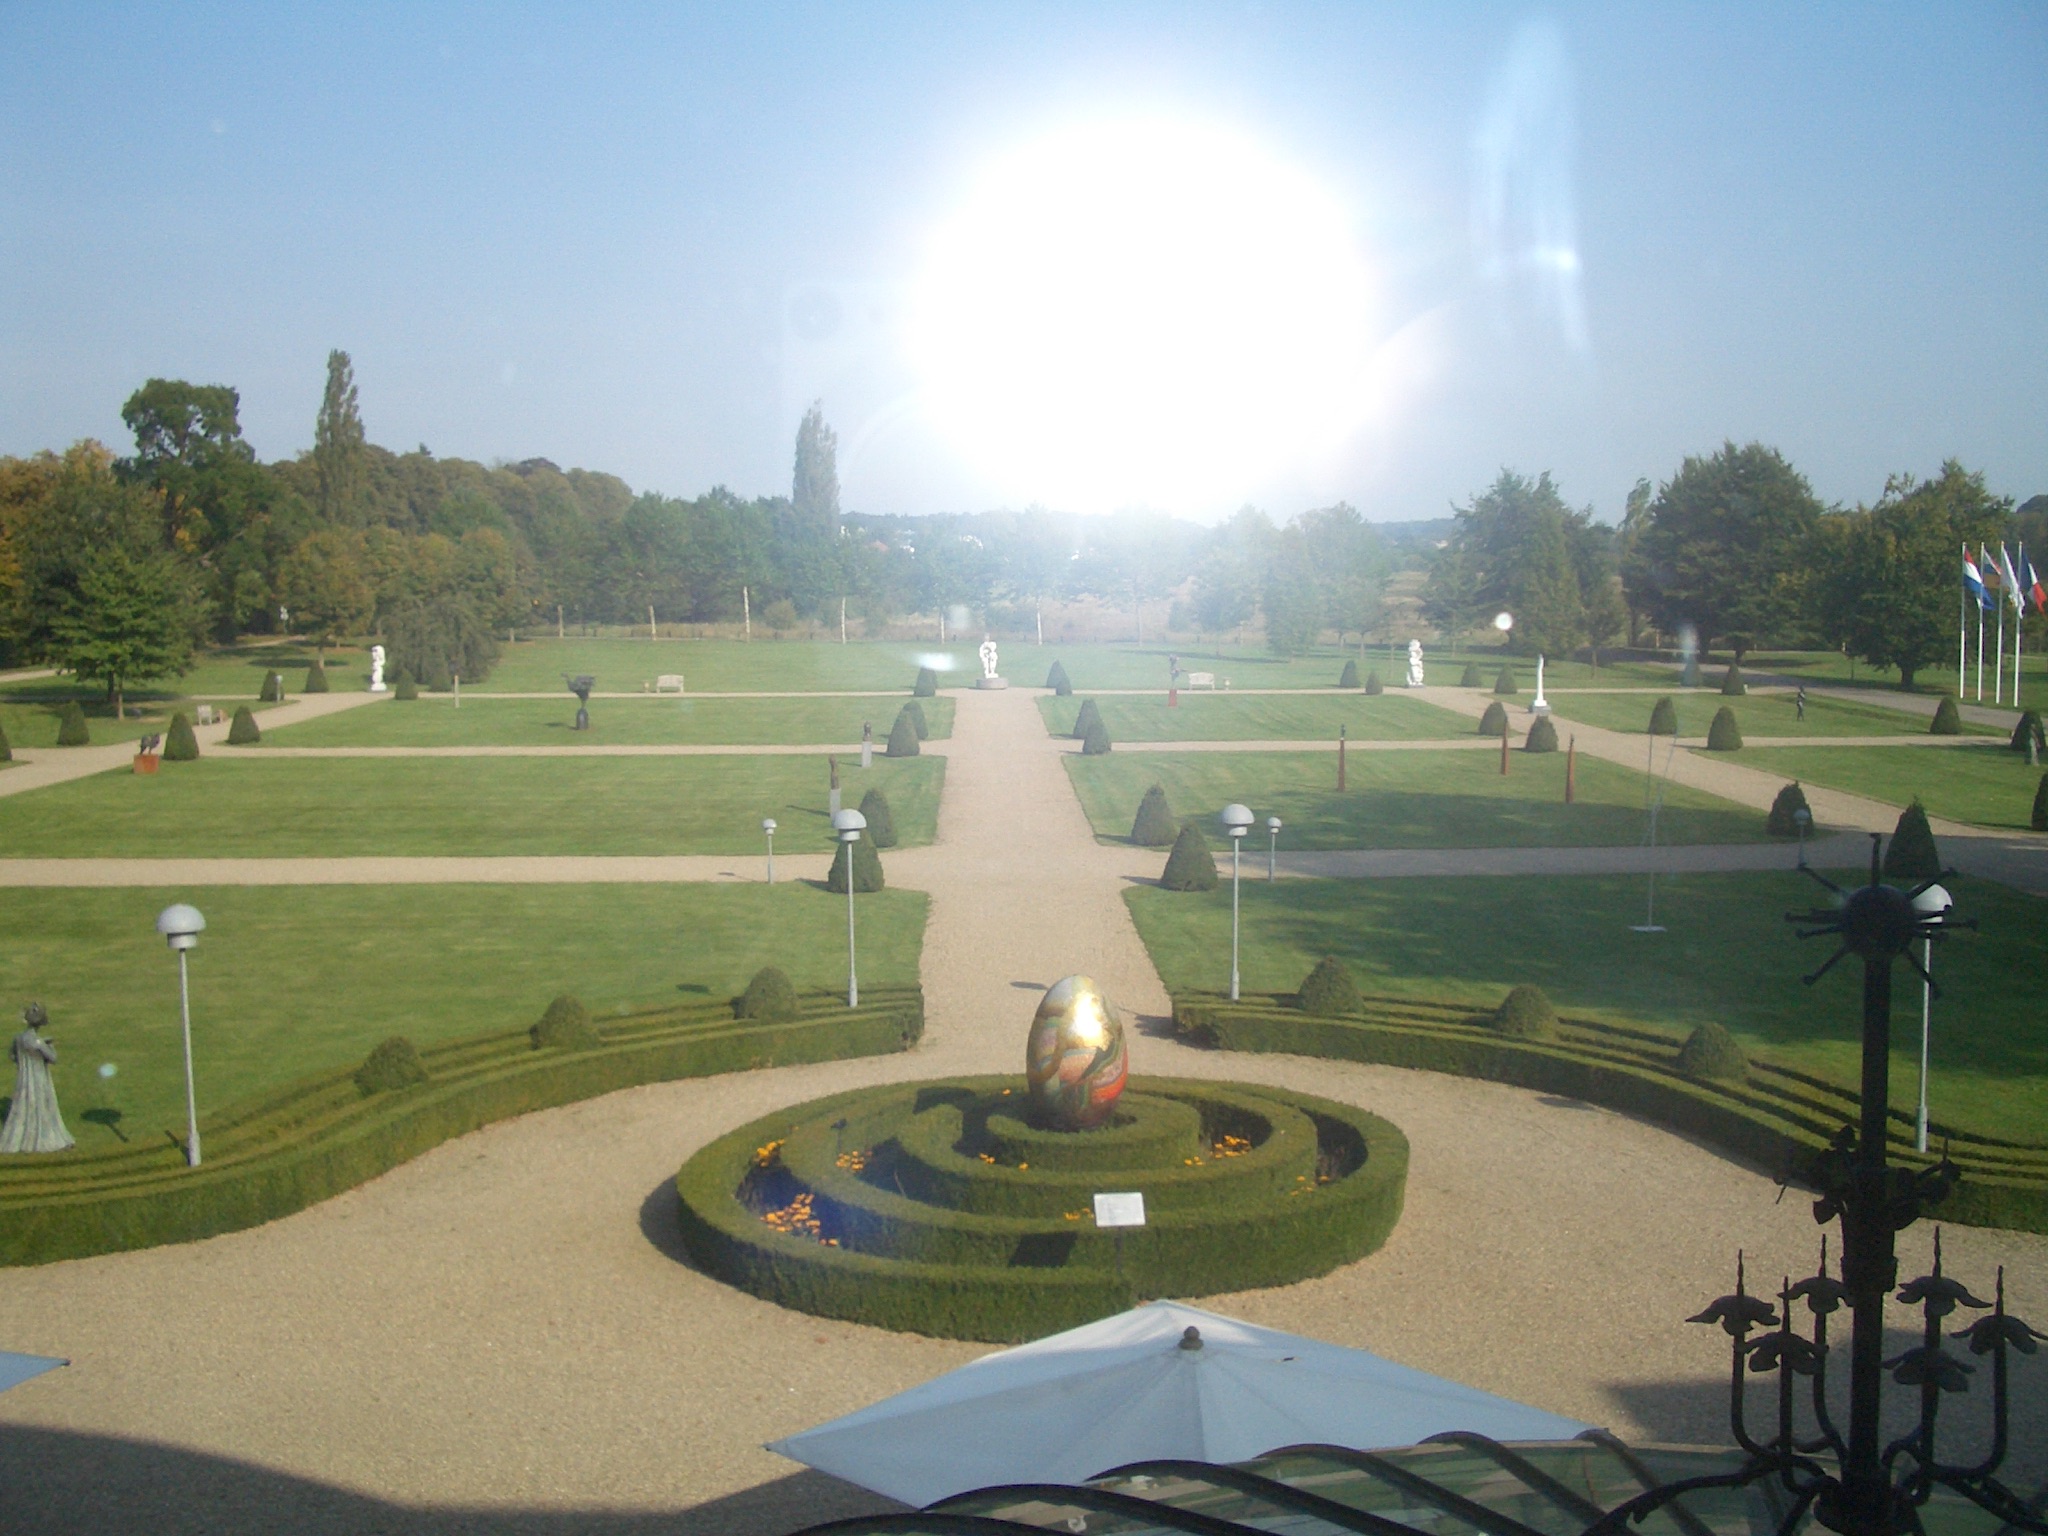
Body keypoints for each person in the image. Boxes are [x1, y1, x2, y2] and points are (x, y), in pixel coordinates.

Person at [1, 1004, 74, 1154]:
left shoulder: (18, 1038)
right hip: (39, 1078)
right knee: (41, 1105)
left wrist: (23, 1061)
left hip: (23, 1078)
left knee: (23, 1105)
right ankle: (41, 1139)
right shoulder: (38, 1042)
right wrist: (50, 1045)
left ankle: (22, 1139)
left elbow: (12, 1056)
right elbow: (53, 1058)